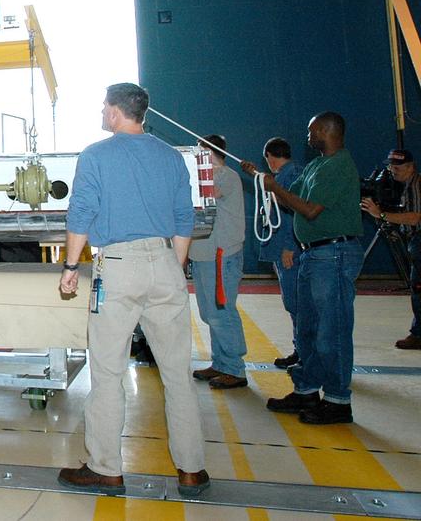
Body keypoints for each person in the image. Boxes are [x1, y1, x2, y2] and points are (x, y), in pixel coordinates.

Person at [56, 83, 209, 498]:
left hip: (118, 268)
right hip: (165, 262)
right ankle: (192, 470)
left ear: (114, 114)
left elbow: (82, 212)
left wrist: (71, 266)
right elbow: (184, 218)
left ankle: (106, 469)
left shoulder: (96, 155)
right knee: (177, 373)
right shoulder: (171, 156)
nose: (102, 111)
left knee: (107, 372)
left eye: (104, 106)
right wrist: (169, 269)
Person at [243, 111, 363, 425]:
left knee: (331, 331)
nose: (307, 137)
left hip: (333, 253)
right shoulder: (316, 165)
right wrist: (266, 182)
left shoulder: (337, 166)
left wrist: (276, 187)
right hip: (312, 255)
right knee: (307, 328)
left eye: (311, 131)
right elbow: (290, 199)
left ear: (326, 130)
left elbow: (309, 210)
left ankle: (338, 400)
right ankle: (306, 389)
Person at [188, 134, 248, 389]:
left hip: (222, 254)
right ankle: (220, 362)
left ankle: (235, 368)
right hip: (203, 254)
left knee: (222, 312)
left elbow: (207, 191)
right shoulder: (209, 174)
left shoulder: (225, 175)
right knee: (209, 313)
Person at [361, 148, 421, 350]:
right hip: (414, 239)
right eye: (390, 166)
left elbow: (415, 217)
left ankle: (418, 334)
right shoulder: (404, 187)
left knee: (419, 288)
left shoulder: (416, 186)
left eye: (397, 167)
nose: (392, 170)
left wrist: (382, 215)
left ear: (410, 167)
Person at [260, 138, 303, 367]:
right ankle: (301, 349)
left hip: (288, 249)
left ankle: (304, 352)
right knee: (293, 303)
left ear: (269, 156)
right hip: (282, 247)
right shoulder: (285, 175)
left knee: (296, 303)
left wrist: (289, 246)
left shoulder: (289, 176)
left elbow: (291, 213)